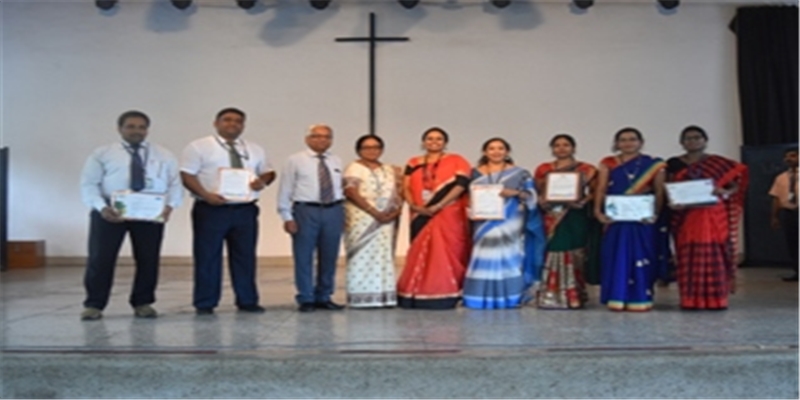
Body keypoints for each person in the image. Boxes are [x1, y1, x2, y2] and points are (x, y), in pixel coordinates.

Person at [79, 110, 183, 320]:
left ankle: (143, 303)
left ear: (147, 130)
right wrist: (101, 208)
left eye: (142, 127)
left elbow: (175, 184)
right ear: (120, 129)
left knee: (148, 259)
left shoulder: (163, 154)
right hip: (110, 211)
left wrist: (170, 206)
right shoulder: (103, 154)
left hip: (150, 212)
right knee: (101, 258)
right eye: (131, 126)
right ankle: (94, 304)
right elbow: (89, 184)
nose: (137, 131)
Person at [181, 107, 275, 315]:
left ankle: (247, 300)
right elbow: (187, 175)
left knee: (245, 257)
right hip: (211, 209)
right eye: (227, 120)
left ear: (243, 125)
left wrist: (262, 181)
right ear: (216, 123)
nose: (233, 124)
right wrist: (206, 195)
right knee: (207, 257)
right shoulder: (199, 147)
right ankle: (205, 303)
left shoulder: (255, 149)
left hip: (245, 210)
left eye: (238, 121)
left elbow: (269, 172)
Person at [666, 126, 748, 309]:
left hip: (713, 215)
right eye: (688, 138)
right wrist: (672, 202)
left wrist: (723, 192)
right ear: (682, 142)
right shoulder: (674, 164)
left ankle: (716, 300)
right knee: (688, 256)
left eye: (697, 137)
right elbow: (668, 187)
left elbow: (735, 186)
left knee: (715, 255)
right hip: (686, 216)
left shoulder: (718, 163)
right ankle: (690, 300)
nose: (693, 141)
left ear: (705, 140)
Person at [462, 138, 545, 309]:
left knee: (509, 255)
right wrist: (471, 211)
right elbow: (467, 198)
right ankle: (478, 297)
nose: (496, 152)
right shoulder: (474, 173)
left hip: (510, 221)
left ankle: (510, 296)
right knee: (483, 254)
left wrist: (513, 192)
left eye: (500, 148)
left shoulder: (521, 173)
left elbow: (531, 196)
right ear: (485, 152)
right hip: (483, 221)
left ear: (507, 152)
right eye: (491, 148)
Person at [397, 127, 471, 309]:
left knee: (448, 251)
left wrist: (439, 205)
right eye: (430, 138)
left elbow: (461, 185)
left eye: (439, 139)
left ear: (445, 142)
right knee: (418, 249)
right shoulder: (413, 162)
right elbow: (405, 187)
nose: (434, 142)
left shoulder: (457, 160)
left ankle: (447, 291)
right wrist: (413, 205)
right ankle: (414, 291)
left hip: (448, 213)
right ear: (423, 142)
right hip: (419, 213)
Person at [594, 127, 666, 312]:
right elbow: (601, 189)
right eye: (623, 140)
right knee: (616, 256)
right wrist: (598, 212)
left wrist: (655, 213)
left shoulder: (654, 165)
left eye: (632, 139)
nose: (628, 143)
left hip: (642, 220)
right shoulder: (608, 163)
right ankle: (616, 296)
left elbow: (659, 192)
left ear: (640, 142)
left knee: (642, 256)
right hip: (616, 220)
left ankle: (640, 297)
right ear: (617, 144)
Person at [278, 124, 346, 312]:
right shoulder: (295, 160)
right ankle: (306, 297)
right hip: (306, 211)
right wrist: (286, 216)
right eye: (317, 136)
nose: (322, 140)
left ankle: (324, 295)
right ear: (307, 139)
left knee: (329, 256)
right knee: (303, 255)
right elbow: (285, 189)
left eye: (327, 137)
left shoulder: (336, 160)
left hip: (333, 210)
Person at [534, 134, 598, 309]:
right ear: (552, 149)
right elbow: (539, 191)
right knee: (553, 251)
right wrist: (542, 201)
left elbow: (595, 192)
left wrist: (584, 201)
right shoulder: (543, 169)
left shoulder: (587, 169)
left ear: (573, 148)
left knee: (575, 252)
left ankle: (574, 295)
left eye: (566, 145)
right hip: (552, 215)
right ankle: (550, 294)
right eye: (557, 145)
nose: (561, 148)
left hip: (575, 215)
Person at [343, 135, 403, 308]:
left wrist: (394, 212)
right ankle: (360, 297)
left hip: (386, 220)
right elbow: (351, 192)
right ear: (358, 150)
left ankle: (383, 296)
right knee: (361, 257)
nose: (372, 151)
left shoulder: (389, 169)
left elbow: (399, 192)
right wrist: (374, 212)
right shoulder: (354, 168)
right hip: (362, 219)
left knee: (383, 257)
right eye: (366, 147)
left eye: (376, 147)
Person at [769, 147, 799, 282]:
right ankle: (797, 271)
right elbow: (776, 198)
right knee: (793, 244)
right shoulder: (781, 178)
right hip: (790, 213)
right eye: (787, 157)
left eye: (793, 156)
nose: (789, 159)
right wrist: (774, 216)